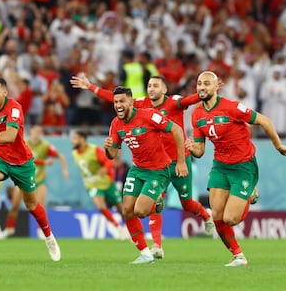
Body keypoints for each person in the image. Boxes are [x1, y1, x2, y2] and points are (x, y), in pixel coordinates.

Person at [70, 74, 214, 259]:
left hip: (179, 160)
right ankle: (156, 247)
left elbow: (193, 99)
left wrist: (207, 91)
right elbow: (116, 99)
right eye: (149, 85)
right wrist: (91, 87)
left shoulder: (174, 103)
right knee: (149, 203)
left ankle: (205, 214)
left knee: (186, 203)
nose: (151, 88)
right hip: (154, 165)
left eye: (155, 85)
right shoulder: (139, 104)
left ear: (164, 90)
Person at [185, 71, 286, 267]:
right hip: (220, 167)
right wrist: (193, 149)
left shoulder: (232, 107)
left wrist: (278, 146)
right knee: (216, 216)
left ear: (217, 86)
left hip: (243, 166)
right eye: (199, 83)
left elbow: (264, 121)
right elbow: (200, 151)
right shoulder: (197, 114)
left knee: (231, 219)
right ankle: (238, 256)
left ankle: (249, 192)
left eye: (206, 83)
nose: (201, 87)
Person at [0, 76, 61, 262]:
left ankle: (49, 238)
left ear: (5, 93)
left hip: (22, 162)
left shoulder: (14, 108)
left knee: (31, 205)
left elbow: (11, 136)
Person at [104, 86, 188, 264]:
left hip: (158, 170)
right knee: (127, 211)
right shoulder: (115, 124)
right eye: (115, 102)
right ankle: (145, 253)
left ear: (131, 102)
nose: (118, 105)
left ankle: (155, 203)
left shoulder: (149, 115)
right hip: (137, 169)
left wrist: (181, 162)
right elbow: (112, 155)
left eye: (122, 101)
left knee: (140, 211)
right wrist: (108, 148)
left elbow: (177, 131)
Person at [0, 124, 69, 238]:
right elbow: (27, 160)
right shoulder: (23, 143)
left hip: (39, 181)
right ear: (30, 132)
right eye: (35, 131)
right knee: (15, 205)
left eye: (39, 131)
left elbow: (60, 156)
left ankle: (41, 231)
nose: (37, 133)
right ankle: (9, 228)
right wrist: (44, 162)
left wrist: (65, 169)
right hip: (23, 179)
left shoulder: (45, 146)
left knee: (40, 206)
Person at [71, 130, 127, 240]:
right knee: (100, 206)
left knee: (120, 207)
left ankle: (129, 228)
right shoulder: (74, 153)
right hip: (92, 185)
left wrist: (104, 169)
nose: (73, 141)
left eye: (75, 138)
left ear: (82, 139)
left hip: (106, 183)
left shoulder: (94, 150)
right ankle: (118, 228)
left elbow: (110, 161)